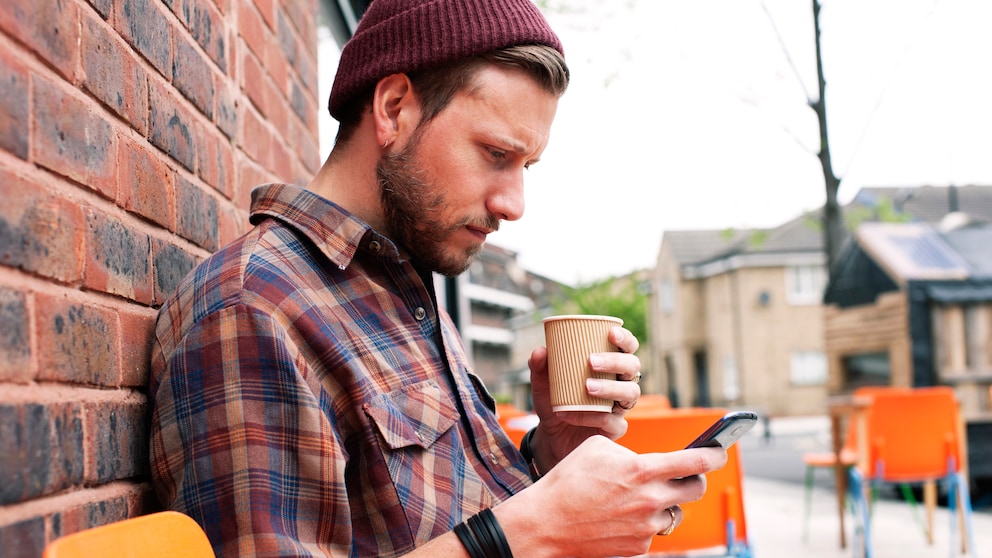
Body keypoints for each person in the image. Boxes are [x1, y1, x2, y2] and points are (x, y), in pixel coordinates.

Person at [148, 0, 727, 556]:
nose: (515, 203)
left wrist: (556, 449)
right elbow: (504, 537)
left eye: (526, 166)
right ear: (395, 108)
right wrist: (531, 532)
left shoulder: (406, 291)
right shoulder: (252, 311)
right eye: (496, 153)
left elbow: (453, 513)